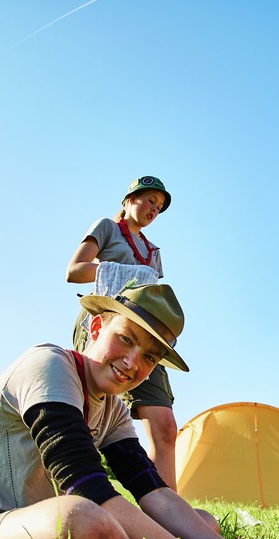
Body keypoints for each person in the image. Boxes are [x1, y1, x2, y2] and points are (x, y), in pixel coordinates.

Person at [0, 283, 265, 539]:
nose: (132, 362)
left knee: (202, 523)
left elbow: (155, 493)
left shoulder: (114, 410)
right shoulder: (50, 366)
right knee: (80, 520)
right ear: (96, 328)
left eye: (150, 358)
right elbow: (88, 489)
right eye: (125, 339)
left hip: (48, 531)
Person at [66, 176, 184, 491]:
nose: (153, 210)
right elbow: (74, 270)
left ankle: (169, 516)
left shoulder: (153, 251)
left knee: (165, 424)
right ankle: (77, 490)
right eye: (149, 201)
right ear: (129, 199)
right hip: (107, 326)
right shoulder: (107, 227)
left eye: (159, 207)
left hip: (145, 332)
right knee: (88, 412)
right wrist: (125, 273)